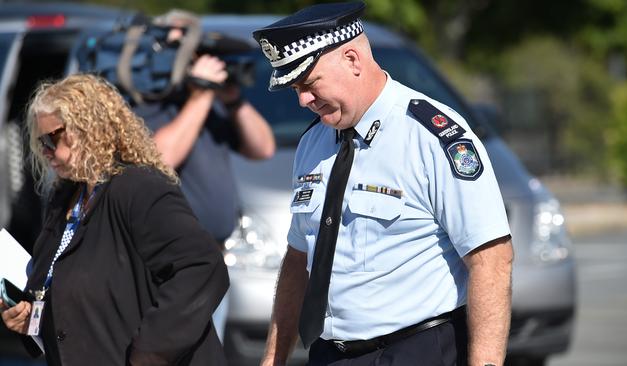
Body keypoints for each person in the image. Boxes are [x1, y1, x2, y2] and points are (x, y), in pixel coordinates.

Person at [252, 2, 513, 366]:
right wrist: (273, 359)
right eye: (296, 88)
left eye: (310, 84)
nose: (303, 100)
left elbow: (491, 260)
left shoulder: (432, 137)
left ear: (353, 60)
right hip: (330, 354)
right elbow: (298, 260)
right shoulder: (313, 144)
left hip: (415, 351)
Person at [0, 74, 229, 365]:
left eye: (51, 137)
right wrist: (28, 320)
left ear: (88, 129)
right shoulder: (64, 200)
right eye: (39, 142)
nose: (45, 151)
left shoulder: (139, 188)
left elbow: (201, 266)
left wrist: (149, 354)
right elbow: (64, 294)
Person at [132, 11, 276, 341]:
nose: (189, 56)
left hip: (211, 259)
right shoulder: (148, 99)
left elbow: (263, 147)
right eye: (178, 45)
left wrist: (232, 99)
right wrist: (201, 95)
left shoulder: (210, 103)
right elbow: (160, 159)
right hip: (167, 265)